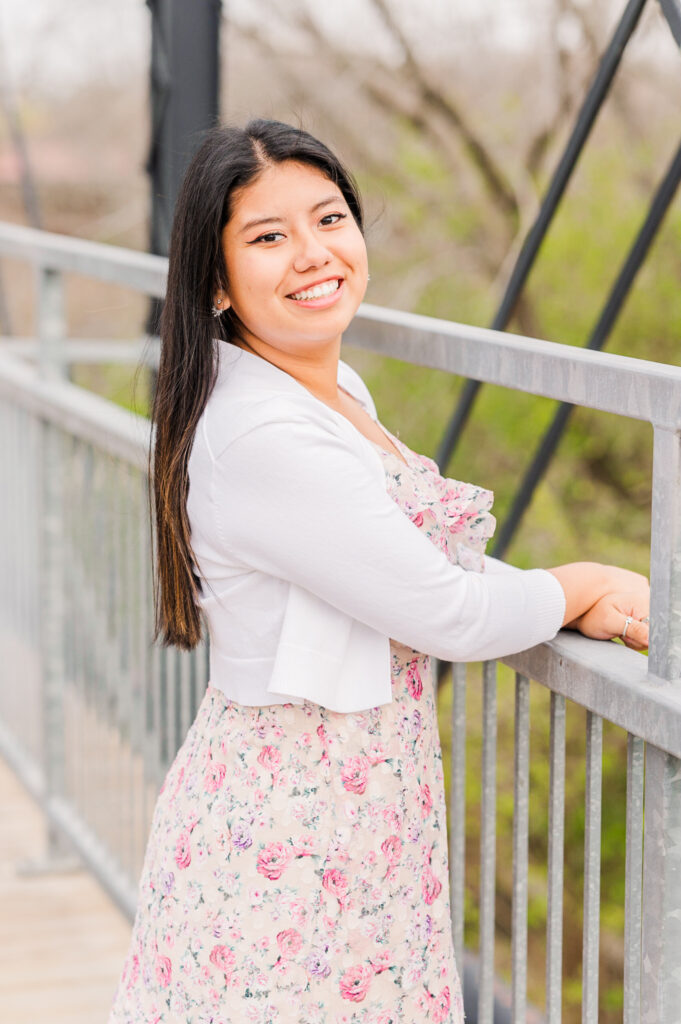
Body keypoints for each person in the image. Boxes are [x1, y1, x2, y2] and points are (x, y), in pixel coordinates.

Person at [108, 119, 649, 1024]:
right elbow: (446, 612)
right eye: (269, 237)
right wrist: (582, 582)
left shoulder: (326, 391)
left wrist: (548, 601)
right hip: (289, 820)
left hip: (350, 803)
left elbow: (401, 564)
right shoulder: (264, 433)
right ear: (214, 281)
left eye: (329, 219)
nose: (313, 254)